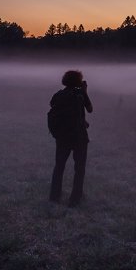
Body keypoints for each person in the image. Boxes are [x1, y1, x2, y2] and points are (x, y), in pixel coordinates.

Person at [48, 70, 93, 206]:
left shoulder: (58, 95)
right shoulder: (80, 94)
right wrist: (85, 91)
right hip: (79, 136)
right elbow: (90, 109)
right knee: (79, 168)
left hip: (62, 136)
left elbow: (53, 106)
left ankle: (54, 196)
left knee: (59, 166)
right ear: (78, 81)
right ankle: (75, 199)